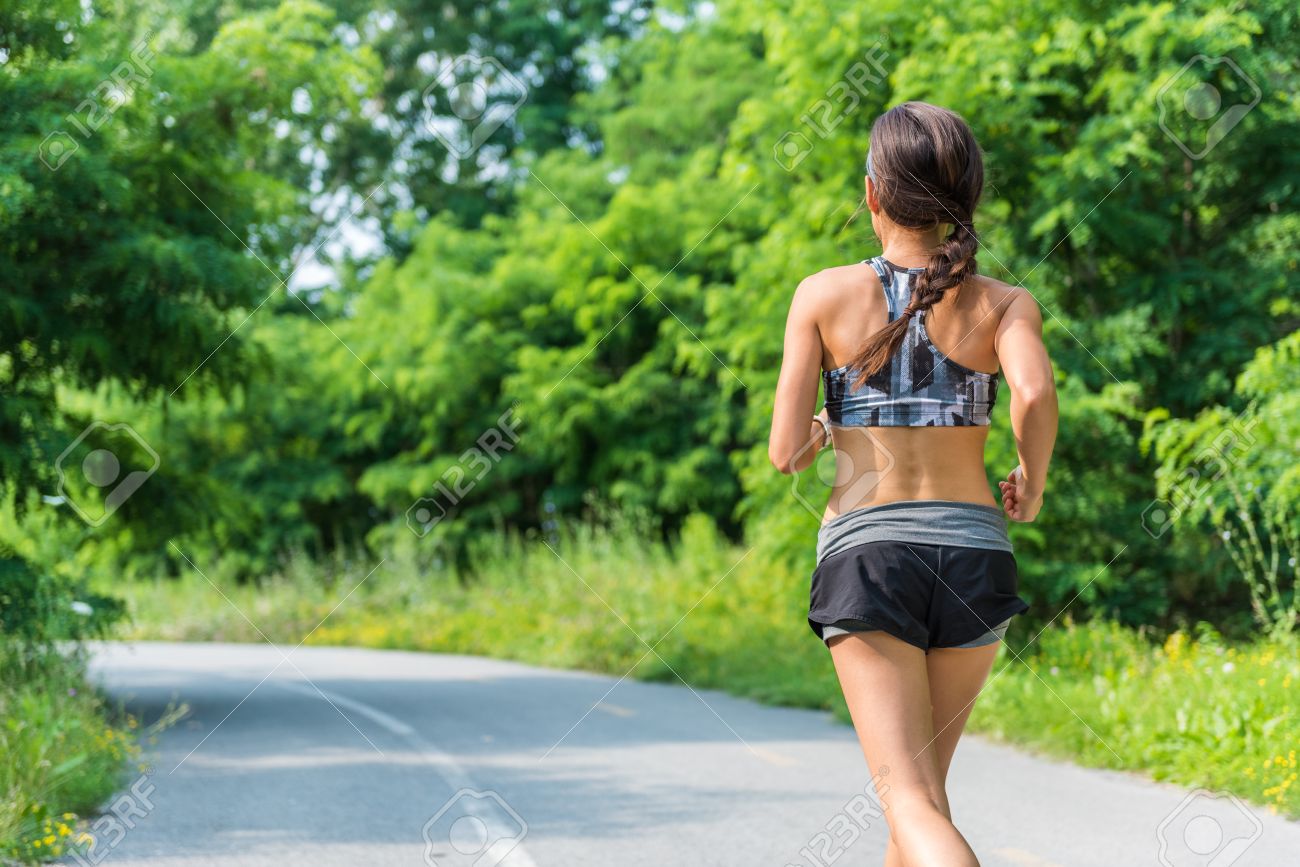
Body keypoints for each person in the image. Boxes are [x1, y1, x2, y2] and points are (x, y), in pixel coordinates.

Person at [768, 101, 1058, 867]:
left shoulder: (823, 295)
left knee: (911, 801)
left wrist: (828, 425)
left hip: (871, 558)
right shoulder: (1006, 303)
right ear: (967, 197)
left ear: (872, 193)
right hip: (976, 559)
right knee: (923, 797)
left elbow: (785, 452)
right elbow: (1033, 393)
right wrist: (1031, 481)